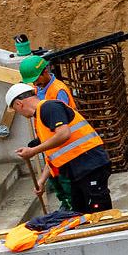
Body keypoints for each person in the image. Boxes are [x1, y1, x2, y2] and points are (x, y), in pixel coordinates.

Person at [7, 82, 113, 213]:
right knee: (80, 211)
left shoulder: (49, 107)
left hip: (89, 165)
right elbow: (53, 154)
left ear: (19, 104)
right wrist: (41, 181)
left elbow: (64, 134)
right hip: (78, 171)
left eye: (16, 110)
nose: (19, 113)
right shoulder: (41, 117)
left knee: (99, 209)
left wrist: (33, 151)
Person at [19, 55, 78, 212]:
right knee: (57, 182)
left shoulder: (58, 91)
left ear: (45, 71)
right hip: (52, 149)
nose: (35, 83)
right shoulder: (37, 89)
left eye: (36, 79)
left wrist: (37, 147)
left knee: (68, 185)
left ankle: (71, 208)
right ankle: (66, 205)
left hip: (65, 149)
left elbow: (62, 126)